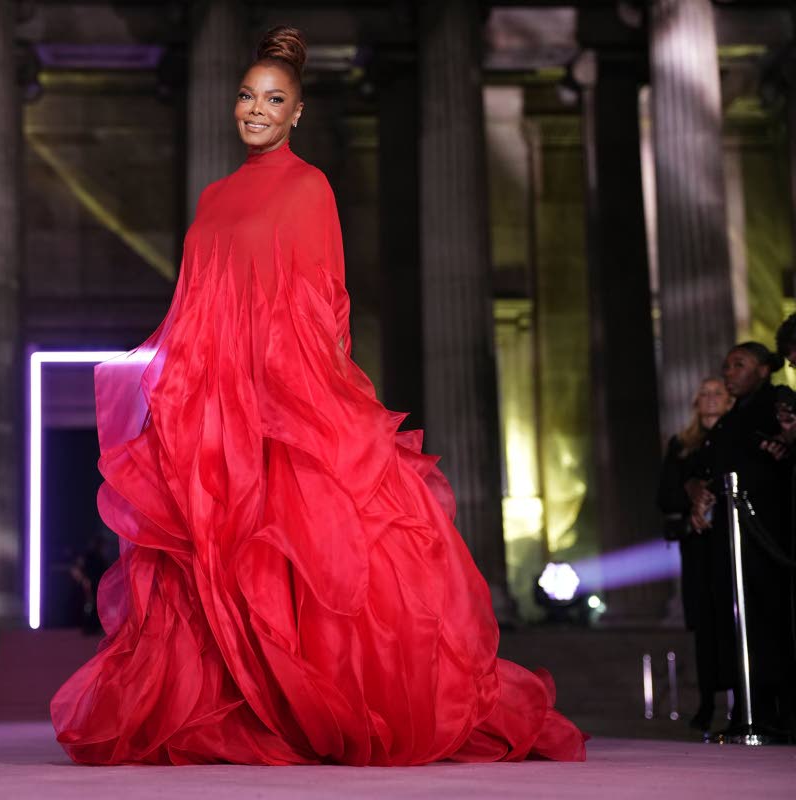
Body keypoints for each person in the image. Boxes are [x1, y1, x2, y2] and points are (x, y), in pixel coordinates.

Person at [50, 26, 585, 766]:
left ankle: (318, 704)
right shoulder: (214, 197)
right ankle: (240, 702)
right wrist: (178, 384)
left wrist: (299, 395)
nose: (256, 110)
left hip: (284, 394)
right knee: (210, 557)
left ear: (296, 113)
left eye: (274, 100)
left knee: (297, 549)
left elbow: (322, 301)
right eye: (246, 96)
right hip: (217, 400)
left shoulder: (308, 187)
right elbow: (196, 302)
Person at [685, 342, 795, 738]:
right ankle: (751, 708)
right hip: (734, 543)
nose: (729, 373)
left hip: (771, 539)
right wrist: (698, 490)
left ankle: (782, 712)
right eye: (726, 365)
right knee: (740, 625)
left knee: (774, 622)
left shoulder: (778, 405)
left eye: (739, 365)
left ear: (764, 369)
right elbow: (699, 469)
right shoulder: (731, 422)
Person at [657, 378, 734, 731]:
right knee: (704, 621)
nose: (710, 399)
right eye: (703, 393)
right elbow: (665, 495)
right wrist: (692, 499)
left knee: (732, 618)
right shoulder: (681, 444)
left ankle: (746, 698)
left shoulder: (734, 435)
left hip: (731, 541)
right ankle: (706, 701)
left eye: (717, 393)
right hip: (698, 544)